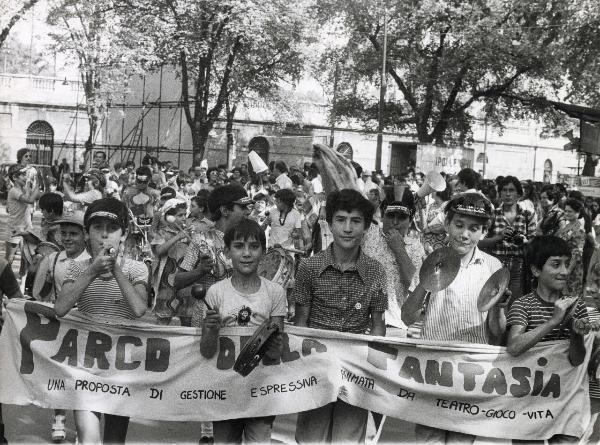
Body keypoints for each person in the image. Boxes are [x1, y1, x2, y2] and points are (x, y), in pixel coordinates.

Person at [402, 192, 503, 444]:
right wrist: (426, 281)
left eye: (474, 228)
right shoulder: (431, 260)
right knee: (428, 438)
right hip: (433, 369)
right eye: (459, 225)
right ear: (447, 223)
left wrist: (499, 306)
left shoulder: (493, 267)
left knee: (461, 439)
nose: (465, 234)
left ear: (483, 232)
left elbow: (498, 333)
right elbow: (407, 317)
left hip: (471, 372)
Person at [294, 189, 387, 443]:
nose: (348, 228)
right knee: (311, 438)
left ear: (366, 227)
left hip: (356, 372)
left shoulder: (376, 271)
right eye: (341, 219)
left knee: (348, 439)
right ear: (329, 223)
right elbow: (300, 322)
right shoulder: (309, 268)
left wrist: (372, 372)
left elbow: (378, 325)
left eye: (356, 221)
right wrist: (302, 368)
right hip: (317, 367)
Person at [55, 198, 147, 444]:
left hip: (122, 369)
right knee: (89, 439)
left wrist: (115, 269)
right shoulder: (76, 268)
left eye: (112, 229)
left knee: (115, 441)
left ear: (124, 234)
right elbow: (61, 308)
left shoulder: (136, 269)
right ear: (87, 233)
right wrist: (92, 271)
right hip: (86, 366)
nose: (104, 236)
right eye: (97, 228)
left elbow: (139, 308)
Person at [200, 219, 286, 443]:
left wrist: (275, 345)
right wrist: (209, 330)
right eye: (239, 246)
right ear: (227, 251)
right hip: (225, 390)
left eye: (254, 246)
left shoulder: (275, 292)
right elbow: (207, 352)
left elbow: (275, 354)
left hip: (261, 391)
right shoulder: (216, 293)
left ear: (264, 252)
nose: (246, 253)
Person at [31, 210, 89, 442]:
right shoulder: (53, 260)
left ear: (85, 234)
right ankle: (58, 419)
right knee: (58, 374)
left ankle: (83, 428)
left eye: (73, 233)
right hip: (60, 324)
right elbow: (36, 293)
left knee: (83, 378)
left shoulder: (95, 261)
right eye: (63, 233)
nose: (67, 238)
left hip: (86, 326)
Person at [480, 176, 536, 301]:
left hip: (518, 267)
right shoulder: (493, 215)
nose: (508, 194)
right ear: (500, 193)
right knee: (494, 306)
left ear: (519, 194)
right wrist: (499, 237)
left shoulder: (527, 215)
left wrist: (524, 241)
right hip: (496, 265)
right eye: (504, 190)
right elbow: (480, 243)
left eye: (511, 190)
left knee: (515, 305)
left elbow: (534, 243)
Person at [5, 165, 40, 265]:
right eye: (23, 175)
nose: (26, 177)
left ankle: (23, 281)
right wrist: (37, 184)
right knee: (9, 260)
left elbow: (38, 195)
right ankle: (4, 280)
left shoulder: (24, 189)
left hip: (26, 230)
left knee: (27, 261)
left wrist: (39, 181)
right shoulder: (14, 191)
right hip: (14, 229)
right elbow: (30, 200)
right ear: (15, 178)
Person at [555, 198, 586, 298]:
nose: (567, 213)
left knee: (571, 298)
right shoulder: (568, 225)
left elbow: (577, 252)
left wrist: (568, 270)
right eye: (566, 210)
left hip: (572, 269)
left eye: (570, 211)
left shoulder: (579, 228)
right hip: (562, 264)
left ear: (578, 212)